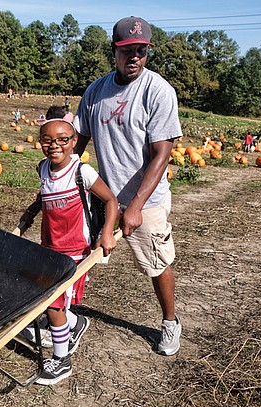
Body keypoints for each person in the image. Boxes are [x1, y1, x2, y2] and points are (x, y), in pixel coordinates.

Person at [73, 16, 183, 356]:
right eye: (126, 51)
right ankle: (69, 319)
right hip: (105, 197)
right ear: (115, 51)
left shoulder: (158, 91)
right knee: (80, 254)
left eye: (141, 51)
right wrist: (57, 180)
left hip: (146, 200)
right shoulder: (95, 91)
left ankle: (169, 322)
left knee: (156, 263)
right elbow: (78, 143)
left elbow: (162, 154)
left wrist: (135, 205)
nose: (134, 57)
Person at [18, 118, 118, 385]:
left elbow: (110, 200)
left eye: (63, 139)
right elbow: (44, 196)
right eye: (48, 140)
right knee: (48, 298)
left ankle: (62, 361)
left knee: (53, 303)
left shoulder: (81, 172)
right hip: (49, 247)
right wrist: (30, 212)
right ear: (40, 142)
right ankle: (75, 323)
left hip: (75, 250)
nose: (55, 145)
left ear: (74, 142)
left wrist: (107, 232)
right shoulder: (43, 168)